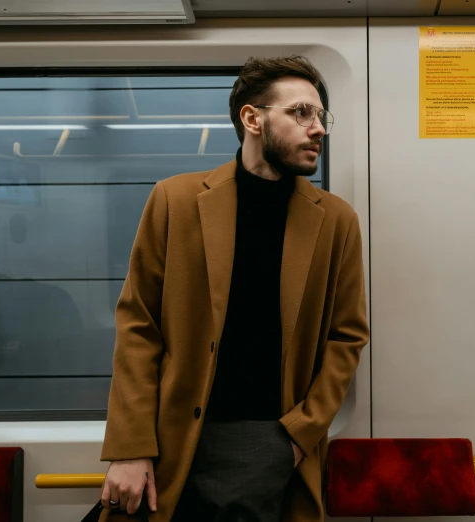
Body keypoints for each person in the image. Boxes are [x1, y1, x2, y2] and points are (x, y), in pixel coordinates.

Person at [98, 55, 369, 522]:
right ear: (252, 118)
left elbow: (346, 337)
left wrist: (299, 434)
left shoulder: (335, 220)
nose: (319, 128)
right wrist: (130, 447)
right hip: (170, 434)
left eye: (322, 115)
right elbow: (139, 327)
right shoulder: (175, 200)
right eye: (301, 112)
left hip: (268, 438)